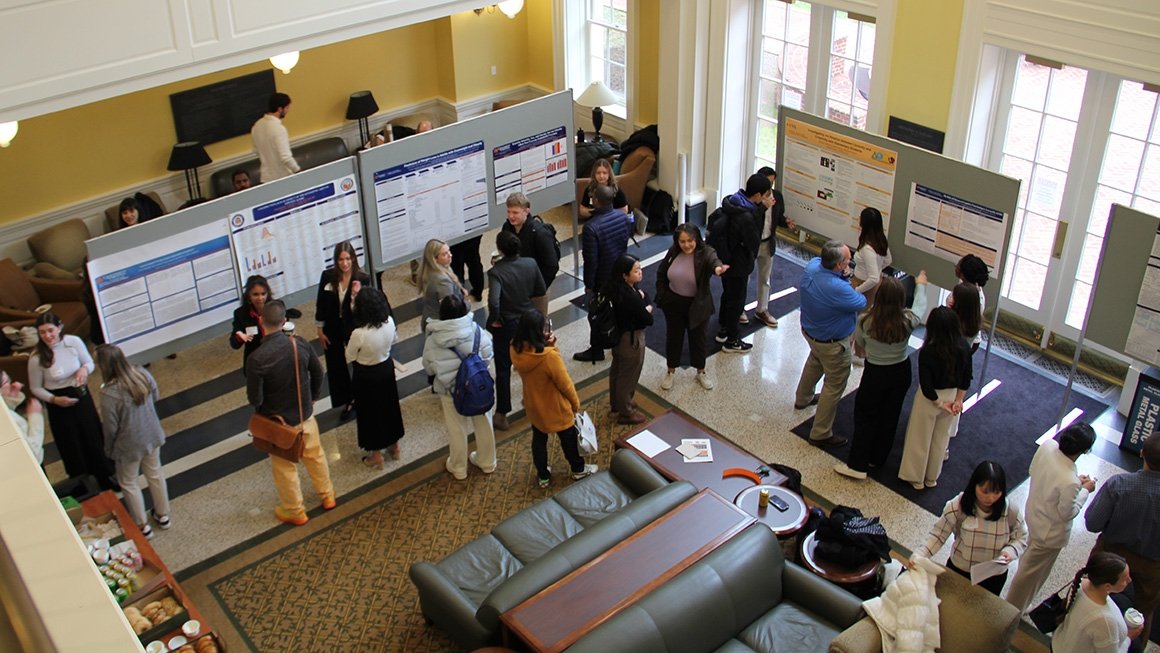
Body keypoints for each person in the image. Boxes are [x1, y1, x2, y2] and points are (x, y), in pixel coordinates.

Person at [246, 300, 335, 525]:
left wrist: (261, 411)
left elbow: (254, 397)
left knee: (285, 468)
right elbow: (318, 372)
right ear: (285, 321)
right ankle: (327, 495)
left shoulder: (256, 359)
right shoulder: (300, 344)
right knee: (315, 456)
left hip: (280, 423)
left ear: (261, 322)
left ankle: (295, 511)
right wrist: (312, 397)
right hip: (305, 415)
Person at [834, 272, 928, 480]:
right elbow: (920, 308)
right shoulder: (907, 321)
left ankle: (857, 465)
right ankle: (877, 459)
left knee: (865, 416)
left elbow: (859, 350)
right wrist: (921, 285)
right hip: (901, 372)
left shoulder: (866, 321)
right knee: (890, 416)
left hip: (875, 372)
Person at [1005, 422, 1098, 614]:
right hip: (1049, 534)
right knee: (1031, 574)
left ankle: (1019, 605)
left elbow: (1034, 471)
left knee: (1028, 563)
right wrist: (1084, 491)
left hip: (1033, 515)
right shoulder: (1070, 481)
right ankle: (1012, 608)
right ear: (1084, 450)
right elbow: (1068, 512)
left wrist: (1074, 486)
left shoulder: (1048, 446)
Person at [1085, 433, 1160, 648]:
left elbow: (1092, 523)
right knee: (1141, 616)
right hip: (1150, 570)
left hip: (1109, 559)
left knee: (1094, 601)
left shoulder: (1118, 484)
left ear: (1142, 453)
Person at [27, 312, 116, 489]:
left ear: (59, 327)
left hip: (80, 396)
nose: (47, 336)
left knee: (92, 437)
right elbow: (35, 388)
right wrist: (54, 399)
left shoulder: (73, 342)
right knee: (71, 444)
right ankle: (83, 483)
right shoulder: (36, 358)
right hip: (58, 404)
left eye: (50, 330)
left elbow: (89, 363)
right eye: (42, 332)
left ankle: (105, 476)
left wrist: (84, 369)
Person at [912, 461, 1027, 596]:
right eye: (985, 491)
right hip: (960, 571)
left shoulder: (1010, 511)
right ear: (974, 486)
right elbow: (938, 535)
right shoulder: (958, 506)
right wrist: (919, 555)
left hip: (993, 576)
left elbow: (1022, 537)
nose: (990, 498)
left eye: (997, 492)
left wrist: (1010, 551)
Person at [510, 308, 597, 488]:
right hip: (555, 407)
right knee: (569, 439)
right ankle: (578, 469)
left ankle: (543, 476)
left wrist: (547, 346)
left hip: (533, 404)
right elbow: (565, 384)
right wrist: (575, 404)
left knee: (539, 440)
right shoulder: (549, 357)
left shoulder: (515, 348)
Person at [793, 239, 867, 447]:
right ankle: (821, 432)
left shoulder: (813, 266)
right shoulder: (838, 287)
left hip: (811, 332)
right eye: (848, 260)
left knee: (814, 362)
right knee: (834, 384)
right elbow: (861, 302)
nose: (851, 263)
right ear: (839, 265)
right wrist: (847, 280)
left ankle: (803, 398)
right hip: (832, 343)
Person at [95, 344, 171, 538]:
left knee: (129, 482)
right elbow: (156, 395)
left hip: (128, 444)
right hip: (151, 433)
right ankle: (163, 515)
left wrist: (109, 448)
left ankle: (142, 525)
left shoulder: (108, 394)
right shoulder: (141, 373)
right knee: (155, 474)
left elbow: (110, 427)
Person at [422, 294, 497, 481]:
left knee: (456, 428)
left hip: (450, 391)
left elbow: (429, 367)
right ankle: (487, 462)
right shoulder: (476, 330)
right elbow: (488, 353)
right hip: (477, 386)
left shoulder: (433, 339)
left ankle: (458, 467)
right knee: (484, 423)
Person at [898, 306, 972, 489]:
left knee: (919, 437)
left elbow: (926, 384)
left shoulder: (929, 351)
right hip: (953, 395)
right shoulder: (964, 346)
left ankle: (916, 478)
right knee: (941, 439)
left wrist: (939, 403)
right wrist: (958, 401)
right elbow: (967, 377)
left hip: (930, 398)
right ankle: (932, 477)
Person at [655, 224, 728, 391]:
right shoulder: (673, 252)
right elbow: (661, 273)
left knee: (698, 339)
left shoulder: (705, 252)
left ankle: (701, 371)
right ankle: (671, 370)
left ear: (696, 239)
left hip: (697, 305)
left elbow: (713, 261)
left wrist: (718, 269)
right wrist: (663, 295)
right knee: (674, 337)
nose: (686, 245)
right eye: (682, 241)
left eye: (690, 240)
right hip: (673, 303)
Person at [487, 230, 546, 431]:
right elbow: (540, 290)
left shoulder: (496, 272)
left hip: (507, 324)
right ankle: (532, 401)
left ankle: (502, 413)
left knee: (503, 368)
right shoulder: (531, 263)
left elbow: (494, 302)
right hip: (529, 319)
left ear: (501, 250)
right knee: (531, 361)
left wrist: (495, 319)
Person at [345, 286, 404, 468]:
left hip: (366, 375)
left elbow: (350, 356)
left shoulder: (359, 334)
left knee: (370, 414)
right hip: (385, 369)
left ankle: (376, 454)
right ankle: (394, 447)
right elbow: (394, 340)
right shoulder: (389, 322)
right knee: (389, 407)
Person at [712, 173, 770, 353]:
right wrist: (762, 211)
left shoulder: (733, 202)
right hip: (738, 264)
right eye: (767, 195)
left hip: (725, 258)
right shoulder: (747, 215)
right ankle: (732, 339)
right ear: (758, 195)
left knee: (728, 295)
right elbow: (754, 242)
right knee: (736, 300)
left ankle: (723, 329)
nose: (769, 199)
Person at [574, 184, 632, 363]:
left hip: (602, 279)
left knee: (597, 313)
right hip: (621, 272)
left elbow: (591, 261)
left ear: (596, 201)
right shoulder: (623, 218)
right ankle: (619, 343)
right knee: (619, 309)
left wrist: (589, 285)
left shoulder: (591, 227)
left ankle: (597, 349)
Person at [315, 241, 370, 422]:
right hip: (332, 326)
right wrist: (319, 329)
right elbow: (321, 303)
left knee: (358, 361)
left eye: (347, 259)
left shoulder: (361, 278)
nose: (344, 263)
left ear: (353, 258)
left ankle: (362, 395)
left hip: (352, 326)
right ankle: (347, 399)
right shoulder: (328, 276)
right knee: (335, 363)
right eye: (340, 259)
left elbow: (365, 307)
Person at [1052, 551, 1142, 653]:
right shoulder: (1104, 620)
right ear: (1107, 586)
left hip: (1060, 644)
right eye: (1125, 579)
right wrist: (1129, 638)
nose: (1130, 580)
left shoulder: (1080, 583)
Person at [606, 254, 653, 425]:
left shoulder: (615, 288)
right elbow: (648, 319)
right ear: (625, 275)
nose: (640, 272)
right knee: (629, 376)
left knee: (617, 372)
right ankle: (625, 412)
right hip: (631, 340)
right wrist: (646, 307)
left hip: (618, 337)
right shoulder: (631, 296)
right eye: (636, 270)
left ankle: (616, 402)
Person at [750, 166, 795, 328]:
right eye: (767, 184)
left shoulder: (778, 198)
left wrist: (785, 222)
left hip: (768, 242)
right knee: (745, 278)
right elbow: (749, 219)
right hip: (751, 244)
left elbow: (777, 217)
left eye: (772, 183)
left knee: (765, 278)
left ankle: (762, 309)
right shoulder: (753, 200)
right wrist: (763, 206)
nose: (770, 188)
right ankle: (739, 310)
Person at [501, 192, 560, 301]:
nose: (510, 216)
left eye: (515, 212)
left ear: (526, 212)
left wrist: (537, 290)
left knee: (537, 316)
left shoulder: (539, 234)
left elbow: (551, 266)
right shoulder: (507, 228)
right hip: (516, 284)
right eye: (508, 212)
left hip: (535, 289)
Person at [416, 239, 466, 334]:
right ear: (435, 259)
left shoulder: (431, 270)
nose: (450, 255)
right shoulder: (442, 281)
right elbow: (451, 308)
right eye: (444, 254)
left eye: (449, 251)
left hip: (431, 318)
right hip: (441, 325)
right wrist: (467, 305)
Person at [251, 92, 300, 182]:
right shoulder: (279, 129)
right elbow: (286, 157)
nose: (288, 110)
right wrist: (298, 171)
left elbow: (256, 151)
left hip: (266, 179)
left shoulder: (256, 126)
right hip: (283, 178)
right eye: (287, 108)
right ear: (280, 109)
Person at [1, 369, 44, 465]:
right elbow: (32, 453)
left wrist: (10, 397)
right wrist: (35, 416)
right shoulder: (10, 420)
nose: (14, 384)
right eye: (7, 381)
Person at [851, 207, 892, 307]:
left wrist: (857, 290)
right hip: (871, 285)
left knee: (859, 315)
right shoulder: (880, 238)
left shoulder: (867, 249)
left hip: (863, 285)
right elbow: (888, 260)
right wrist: (878, 269)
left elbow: (873, 278)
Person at [231, 275, 273, 362]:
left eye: (263, 294)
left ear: (268, 294)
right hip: (256, 360)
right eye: (255, 294)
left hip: (277, 356)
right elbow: (234, 344)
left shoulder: (276, 307)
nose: (260, 298)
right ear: (248, 296)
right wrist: (240, 337)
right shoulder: (241, 314)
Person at [449, 235, 485, 304]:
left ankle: (460, 295)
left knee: (456, 267)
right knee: (474, 262)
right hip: (472, 234)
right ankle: (478, 292)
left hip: (455, 239)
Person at [948, 281, 983, 352]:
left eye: (953, 297)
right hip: (963, 357)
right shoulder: (975, 321)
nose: (951, 299)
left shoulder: (952, 322)